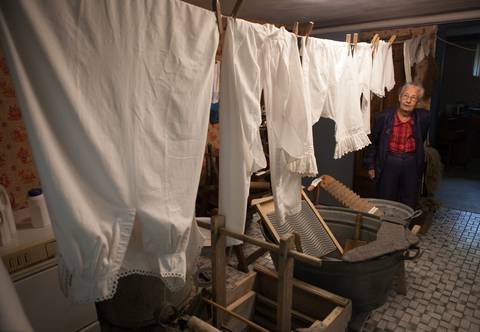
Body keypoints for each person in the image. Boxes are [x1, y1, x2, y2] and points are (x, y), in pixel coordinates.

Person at [364, 83, 430, 208]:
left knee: (408, 199)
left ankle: (403, 225)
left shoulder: (423, 118)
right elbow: (373, 143)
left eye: (413, 98)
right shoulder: (383, 117)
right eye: (405, 96)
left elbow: (422, 138)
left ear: (417, 102)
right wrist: (370, 166)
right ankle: (384, 225)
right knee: (386, 198)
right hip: (389, 161)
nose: (408, 100)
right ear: (399, 97)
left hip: (411, 163)